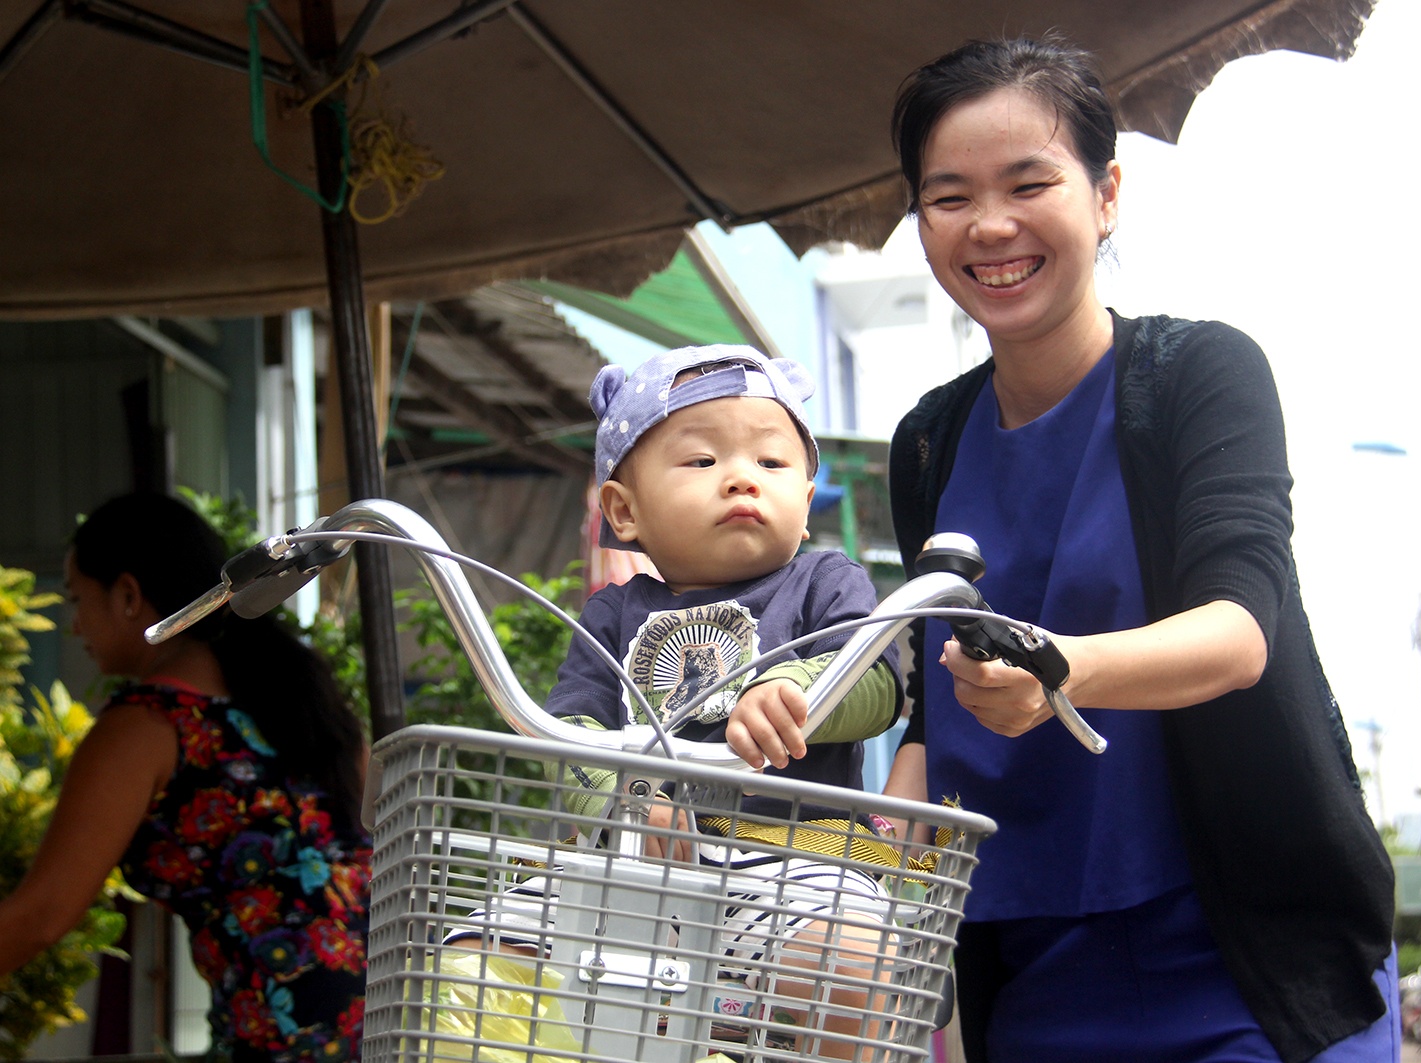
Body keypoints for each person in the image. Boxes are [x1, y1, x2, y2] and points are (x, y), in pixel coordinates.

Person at [880, 35, 1397, 1063]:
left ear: (1105, 193)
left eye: (1030, 182)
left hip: (1251, 957)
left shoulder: (1200, 372)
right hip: (1036, 971)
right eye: (949, 197)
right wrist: (883, 806)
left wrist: (1060, 670)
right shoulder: (926, 443)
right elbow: (934, 693)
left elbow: (1240, 629)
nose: (991, 225)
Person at [451, 344, 905, 1060]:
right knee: (468, 957)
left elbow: (881, 683)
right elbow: (569, 726)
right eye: (702, 462)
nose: (741, 480)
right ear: (624, 511)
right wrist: (621, 794)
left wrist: (799, 687)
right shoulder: (611, 613)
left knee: (852, 961)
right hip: (630, 863)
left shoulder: (824, 581)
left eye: (772, 463)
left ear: (807, 503)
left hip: (789, 859)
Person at [0, 492, 372, 1063]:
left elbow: (42, 916)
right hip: (390, 1013)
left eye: (78, 600)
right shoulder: (298, 694)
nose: (74, 626)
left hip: (290, 1038)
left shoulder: (146, 724)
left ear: (127, 595)